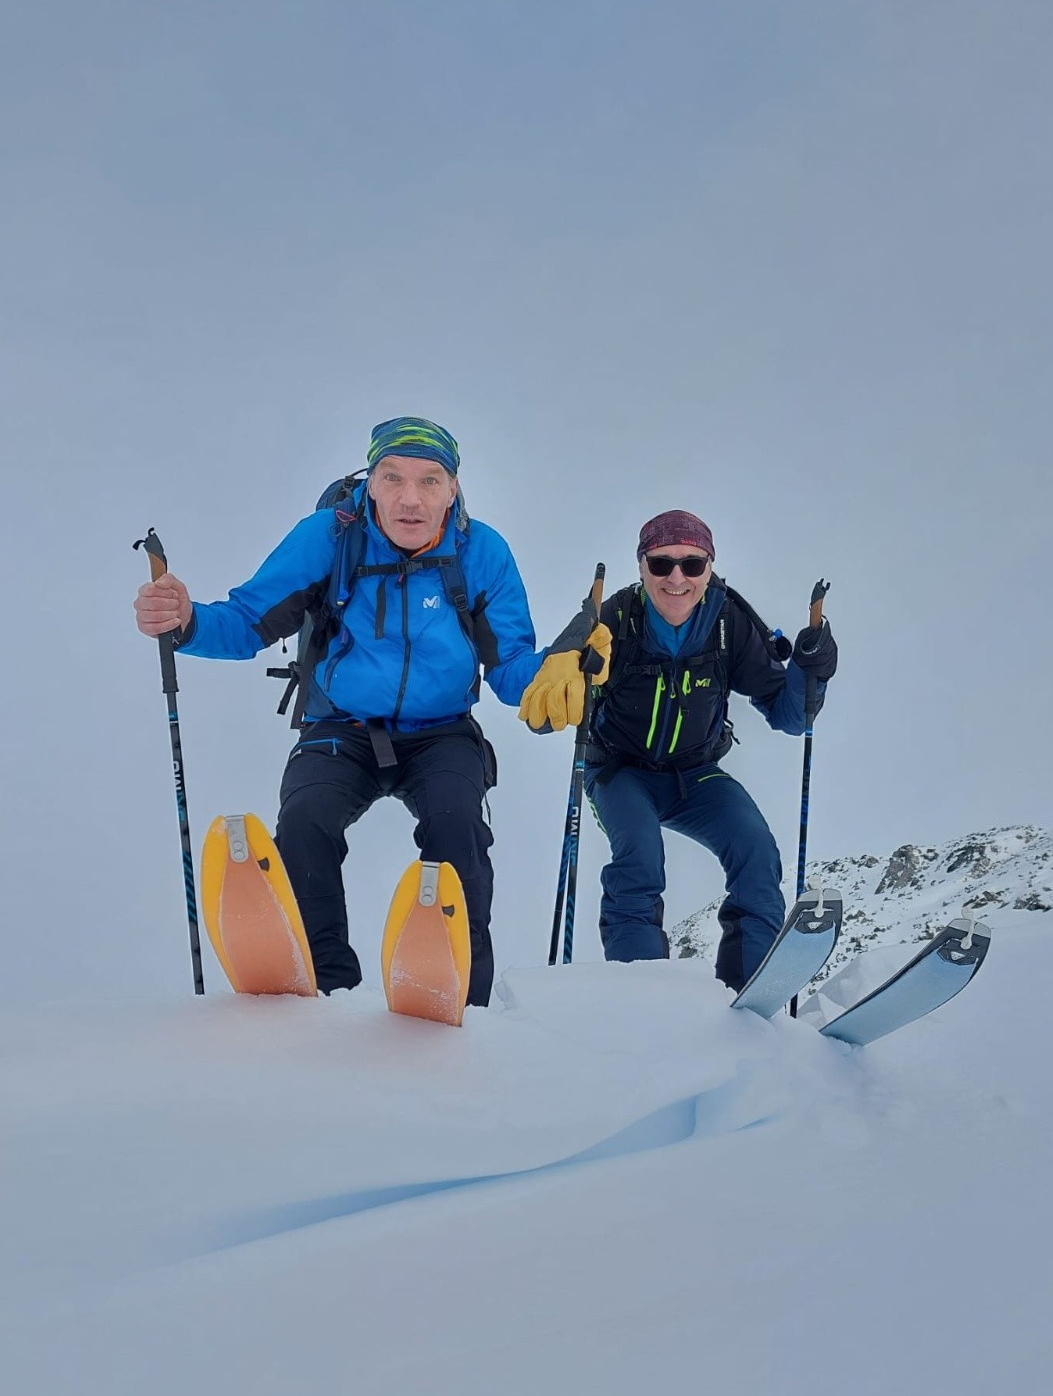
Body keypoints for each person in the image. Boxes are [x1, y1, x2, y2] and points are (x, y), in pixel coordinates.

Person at [134, 416, 609, 1005]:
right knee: (306, 820)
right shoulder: (329, 538)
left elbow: (510, 671)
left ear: (453, 488)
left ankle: (462, 998)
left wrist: (559, 668)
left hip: (442, 733)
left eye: (430, 481)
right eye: (393, 478)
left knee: (457, 829)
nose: (411, 499)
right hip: (340, 726)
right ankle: (326, 985)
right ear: (370, 482)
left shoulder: (482, 553)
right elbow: (247, 620)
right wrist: (187, 621)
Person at [578, 509, 837, 992]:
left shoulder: (727, 622)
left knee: (756, 851)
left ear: (710, 567)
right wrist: (572, 668)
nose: (677, 578)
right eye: (662, 564)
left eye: (692, 565)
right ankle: (643, 993)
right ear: (641, 567)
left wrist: (808, 672)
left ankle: (748, 993)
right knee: (639, 857)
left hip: (697, 776)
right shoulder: (612, 619)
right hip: (620, 772)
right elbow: (550, 699)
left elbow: (785, 714)